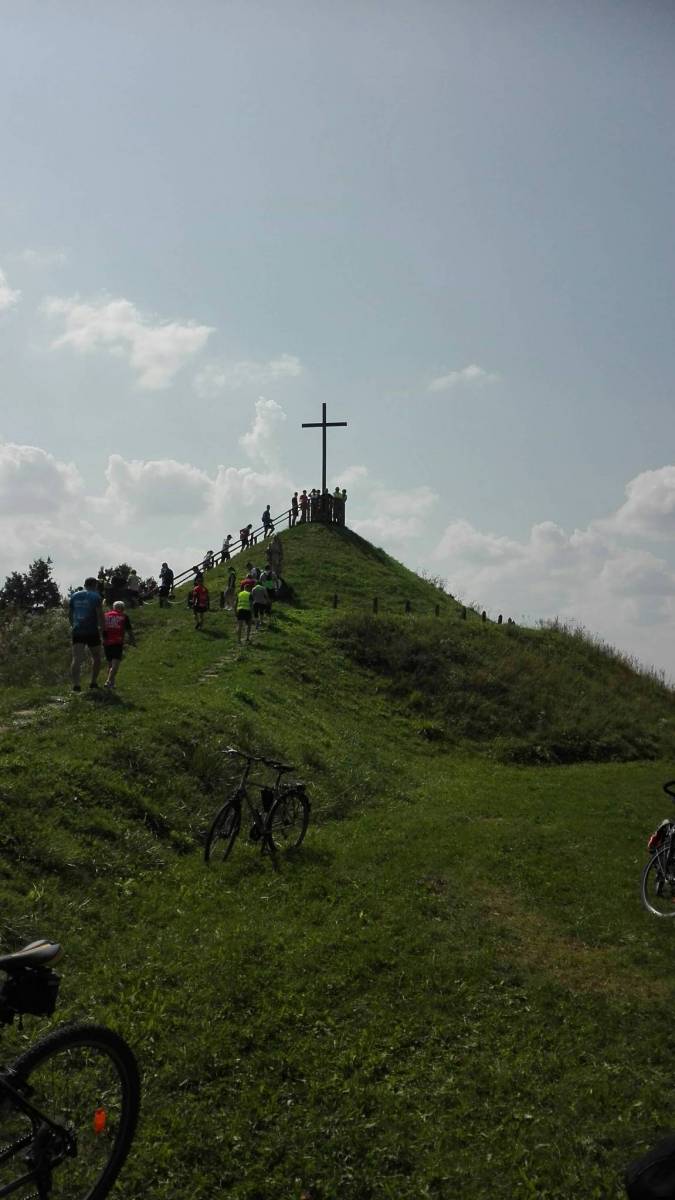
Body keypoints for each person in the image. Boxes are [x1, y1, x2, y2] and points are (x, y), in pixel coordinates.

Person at [69, 576, 105, 692]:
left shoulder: (74, 595)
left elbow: (70, 614)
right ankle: (93, 683)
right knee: (96, 656)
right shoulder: (96, 596)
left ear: (85, 584)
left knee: (76, 658)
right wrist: (103, 629)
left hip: (78, 630)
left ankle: (76, 685)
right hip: (92, 630)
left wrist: (72, 625)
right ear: (95, 585)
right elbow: (100, 614)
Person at [102, 600, 137, 689]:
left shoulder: (105, 615)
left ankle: (112, 684)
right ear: (122, 608)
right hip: (117, 642)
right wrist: (133, 641)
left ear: (114, 607)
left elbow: (101, 628)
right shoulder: (124, 616)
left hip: (106, 642)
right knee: (115, 665)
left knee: (110, 664)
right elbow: (129, 630)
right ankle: (108, 681)